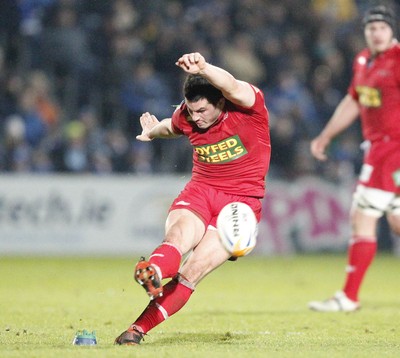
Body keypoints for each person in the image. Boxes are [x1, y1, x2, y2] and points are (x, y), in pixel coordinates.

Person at [114, 52, 271, 344]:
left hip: (240, 205)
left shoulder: (249, 108)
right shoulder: (187, 116)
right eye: (190, 110)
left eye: (201, 111)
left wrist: (205, 68)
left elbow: (232, 85)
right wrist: (152, 132)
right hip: (201, 191)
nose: (195, 118)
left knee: (192, 271)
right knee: (178, 238)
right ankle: (152, 272)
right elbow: (170, 127)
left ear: (220, 102)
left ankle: (137, 330)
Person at [308, 5, 400, 312]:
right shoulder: (363, 60)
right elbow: (354, 99)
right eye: (371, 28)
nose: (376, 33)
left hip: (392, 151)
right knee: (397, 222)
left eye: (382, 28)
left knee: (362, 219)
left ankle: (348, 297)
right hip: (378, 149)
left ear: (392, 31)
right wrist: (326, 135)